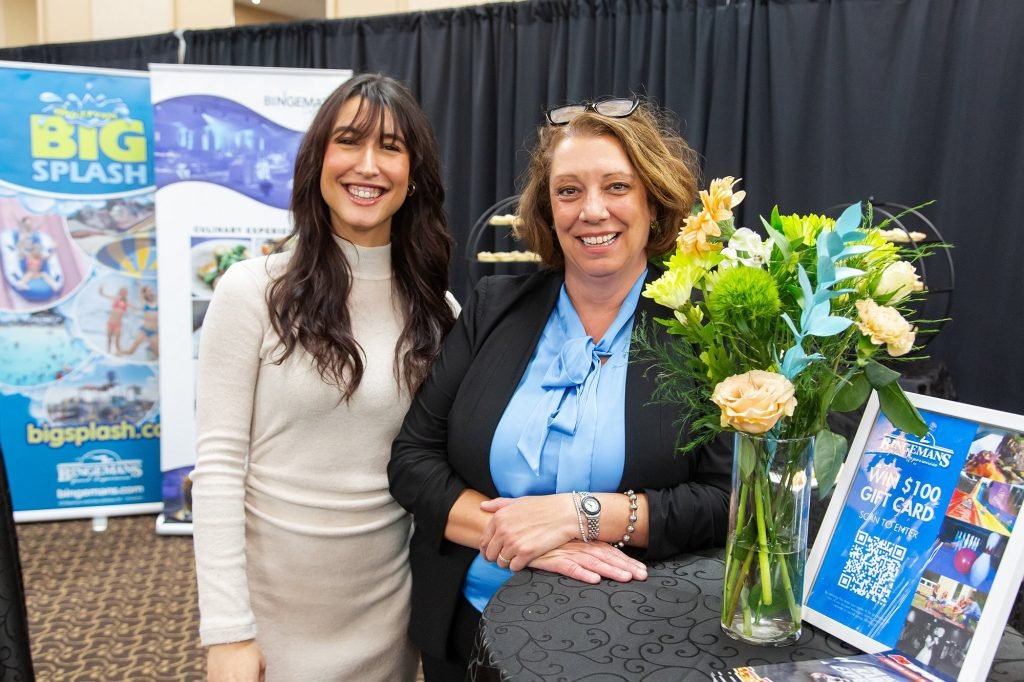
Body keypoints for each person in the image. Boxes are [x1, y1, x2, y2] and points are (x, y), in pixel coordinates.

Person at [389, 97, 732, 680]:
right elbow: (412, 461)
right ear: (548, 212)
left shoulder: (704, 330)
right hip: (467, 625)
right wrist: (528, 539)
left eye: (617, 187)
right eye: (569, 191)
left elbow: (730, 501)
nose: (592, 210)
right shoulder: (493, 309)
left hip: (635, 635)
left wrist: (582, 514)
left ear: (655, 201)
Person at [191, 73, 456, 682]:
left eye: (390, 147)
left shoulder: (441, 315)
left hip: (386, 611)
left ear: (413, 174)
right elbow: (219, 469)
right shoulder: (253, 292)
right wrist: (228, 631)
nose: (368, 164)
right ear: (318, 160)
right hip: (273, 612)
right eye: (349, 141)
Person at [119, 285, 159, 359]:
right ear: (145, 294)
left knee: (157, 353)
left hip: (154, 332)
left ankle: (150, 351)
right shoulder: (145, 303)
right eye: (149, 291)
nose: (151, 292)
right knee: (131, 351)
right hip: (144, 330)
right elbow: (140, 293)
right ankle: (118, 352)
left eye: (151, 290)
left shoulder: (158, 302)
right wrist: (138, 283)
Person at [98, 285, 133, 354]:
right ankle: (108, 351)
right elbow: (103, 295)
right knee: (109, 338)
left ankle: (118, 352)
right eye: (122, 292)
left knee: (117, 339)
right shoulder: (115, 299)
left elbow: (136, 307)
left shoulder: (126, 303)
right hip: (110, 322)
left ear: (126, 294)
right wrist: (101, 290)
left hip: (118, 324)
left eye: (125, 293)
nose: (123, 294)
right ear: (120, 293)